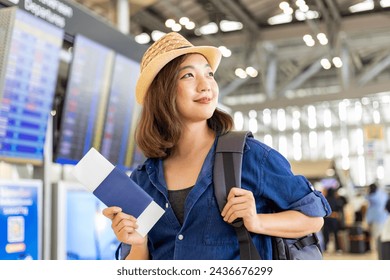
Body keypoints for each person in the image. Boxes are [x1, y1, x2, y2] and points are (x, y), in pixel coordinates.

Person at [102, 32, 331, 260]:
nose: (205, 85)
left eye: (209, 74)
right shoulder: (142, 181)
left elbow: (312, 218)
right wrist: (138, 243)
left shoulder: (249, 157)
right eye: (188, 75)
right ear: (162, 92)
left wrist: (257, 221)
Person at [365, 182, 388, 251]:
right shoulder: (382, 194)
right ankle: (378, 248)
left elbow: (366, 197)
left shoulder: (372, 196)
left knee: (376, 235)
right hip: (382, 217)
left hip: (376, 219)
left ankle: (377, 249)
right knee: (379, 234)